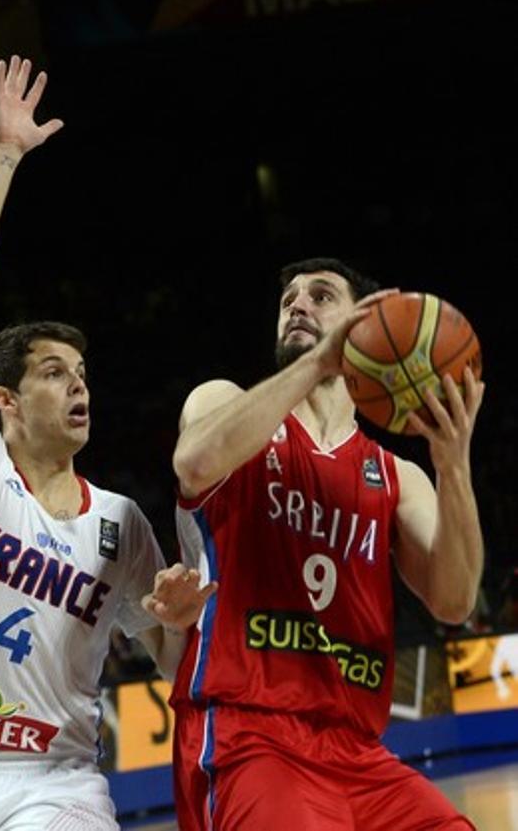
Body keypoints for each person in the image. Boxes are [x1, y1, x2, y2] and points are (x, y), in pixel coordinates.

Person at [0, 54, 214, 831]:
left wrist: (181, 620)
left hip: (52, 784)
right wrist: (3, 154)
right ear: (6, 401)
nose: (79, 385)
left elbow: (169, 659)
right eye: (55, 372)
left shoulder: (120, 522)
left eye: (82, 373)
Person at [148, 257, 485, 830]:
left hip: (357, 751)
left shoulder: (397, 477)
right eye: (288, 301)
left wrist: (453, 464)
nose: (298, 306)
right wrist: (320, 361)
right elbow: (194, 462)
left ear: (367, 324)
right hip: (248, 734)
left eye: (322, 296)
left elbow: (455, 600)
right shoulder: (223, 401)